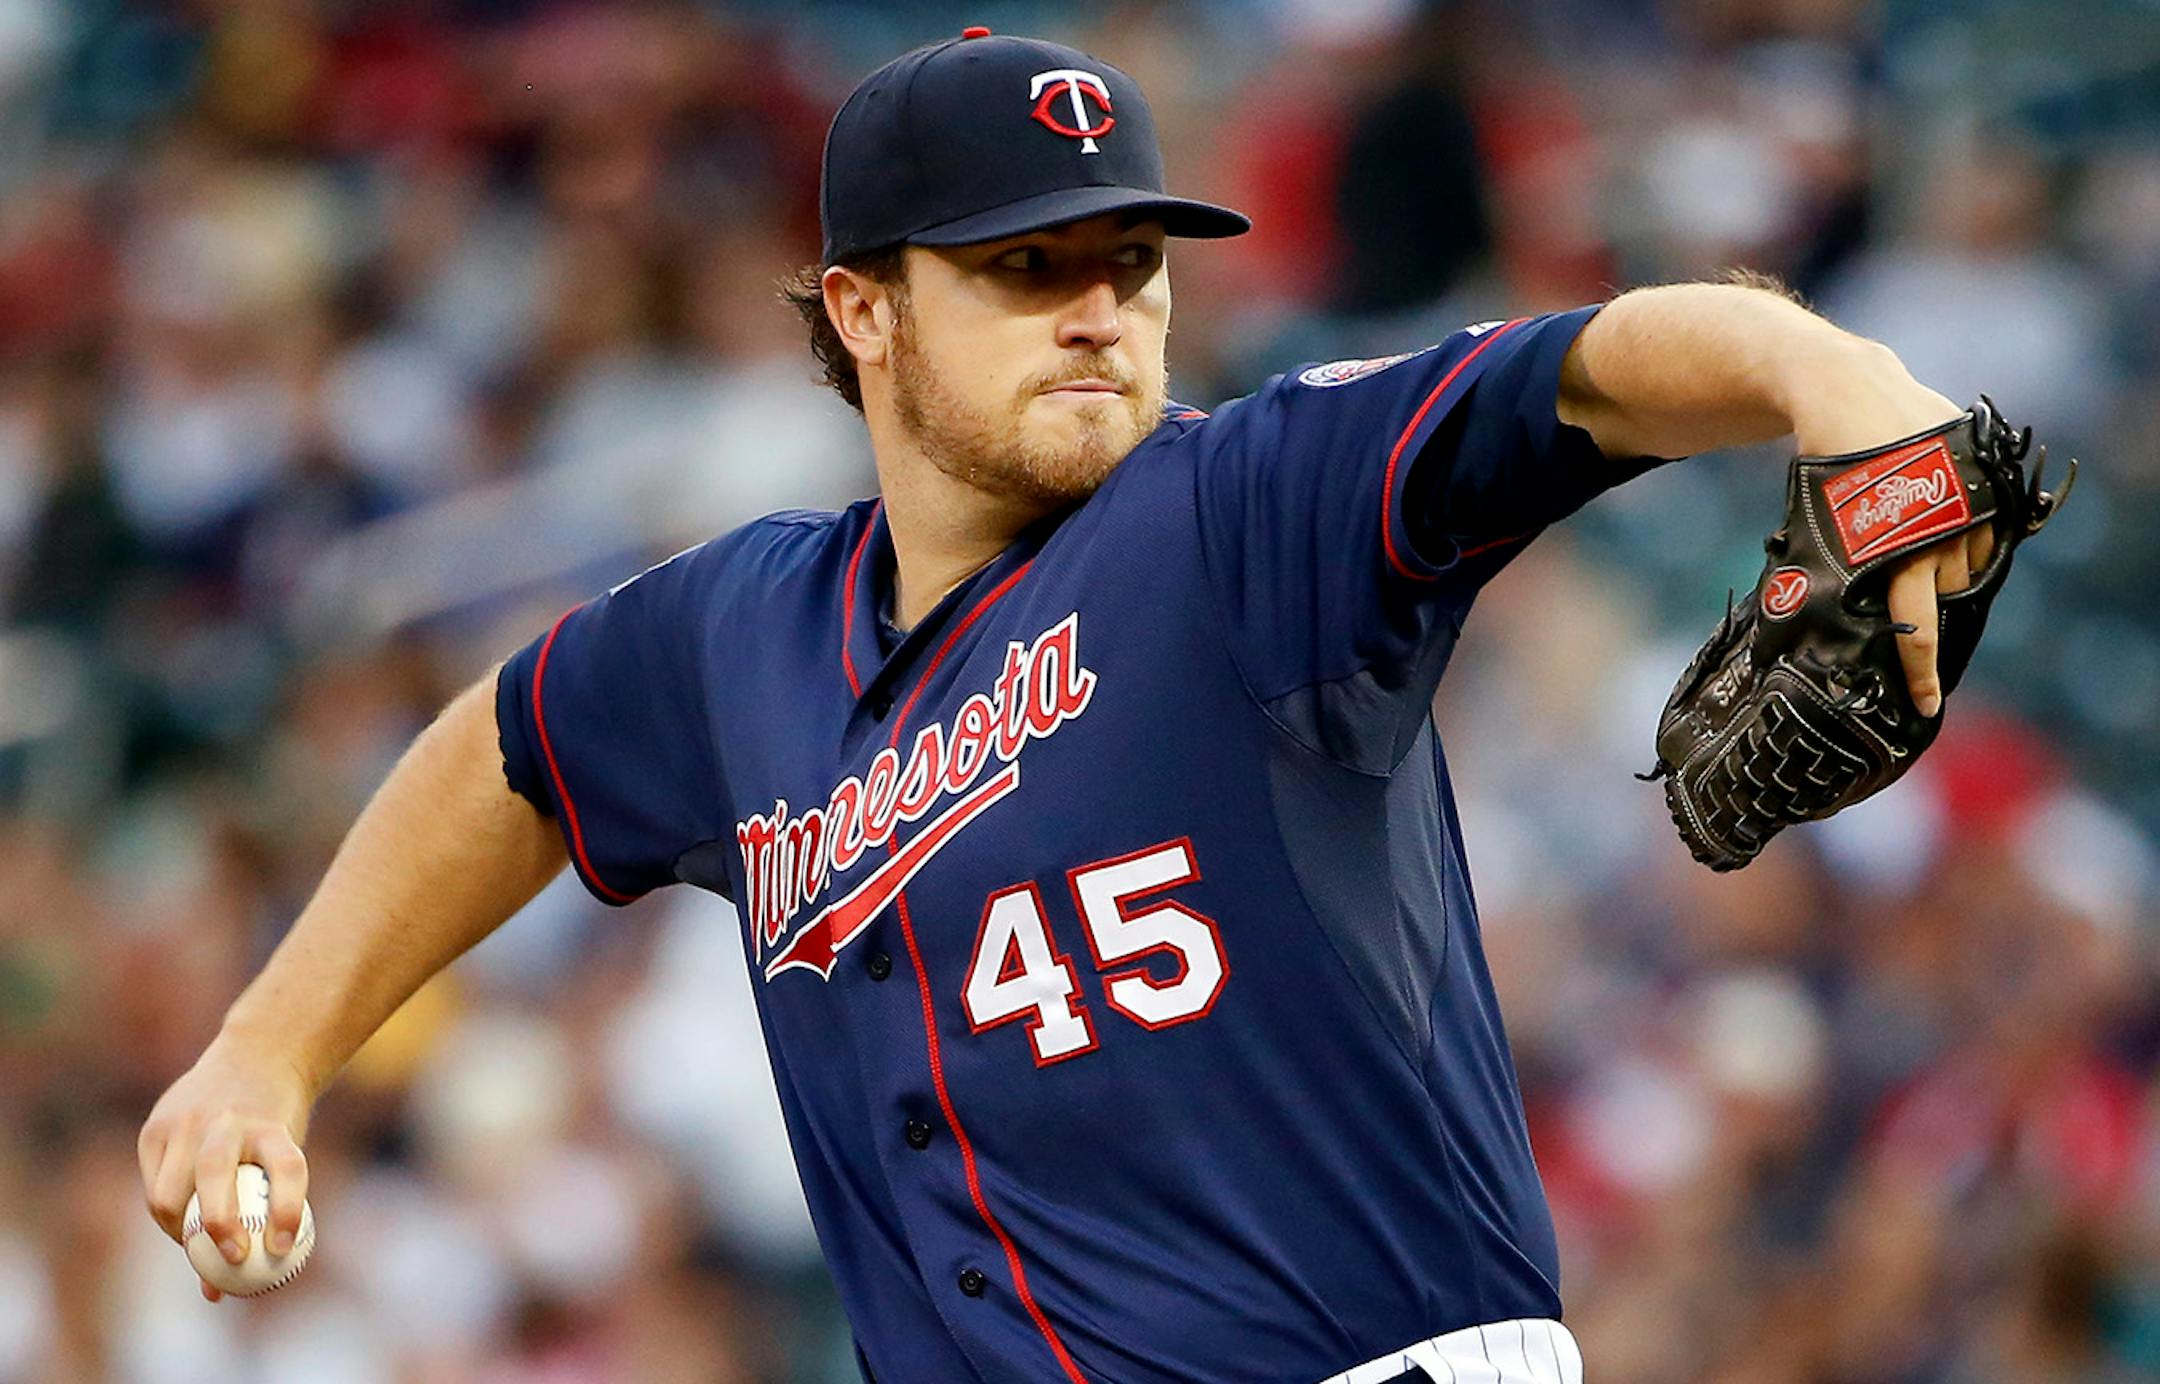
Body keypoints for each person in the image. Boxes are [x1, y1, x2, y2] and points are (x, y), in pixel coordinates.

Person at [138, 28, 1994, 1384]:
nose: (1101, 308)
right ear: (863, 314)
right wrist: (268, 1051)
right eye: (1028, 269)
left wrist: (1818, 371)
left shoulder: (1253, 512)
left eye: (1130, 261)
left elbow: (1577, 374)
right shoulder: (738, 636)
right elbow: (510, 754)